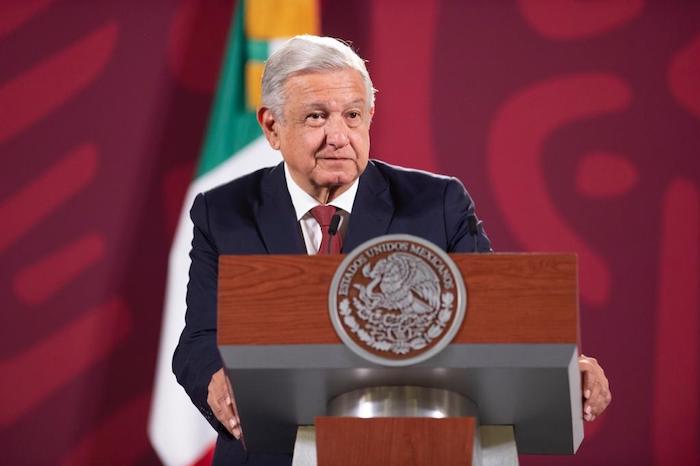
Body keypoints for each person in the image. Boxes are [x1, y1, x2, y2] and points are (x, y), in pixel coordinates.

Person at [173, 35, 611, 466]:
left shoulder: (437, 204)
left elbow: (493, 325)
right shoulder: (223, 213)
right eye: (316, 117)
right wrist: (217, 380)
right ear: (271, 126)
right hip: (270, 453)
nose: (339, 136)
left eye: (353, 115)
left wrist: (565, 367)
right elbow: (198, 339)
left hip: (417, 448)